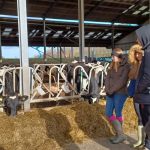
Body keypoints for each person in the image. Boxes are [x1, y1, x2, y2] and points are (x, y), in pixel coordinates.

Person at [105, 48, 130, 144]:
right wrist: (107, 89)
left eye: (113, 56)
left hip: (120, 93)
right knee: (108, 113)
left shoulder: (126, 66)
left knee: (118, 112)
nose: (112, 57)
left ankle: (119, 135)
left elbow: (122, 81)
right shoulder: (112, 66)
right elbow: (107, 78)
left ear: (119, 56)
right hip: (110, 93)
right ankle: (121, 134)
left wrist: (111, 90)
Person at [134, 24, 150, 150]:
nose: (137, 40)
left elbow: (147, 76)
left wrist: (138, 88)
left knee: (147, 122)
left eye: (139, 37)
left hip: (146, 96)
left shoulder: (149, 53)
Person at [128, 44, 144, 148]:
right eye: (136, 53)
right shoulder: (134, 65)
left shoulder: (146, 65)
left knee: (146, 117)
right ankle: (140, 140)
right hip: (136, 95)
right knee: (139, 117)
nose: (137, 55)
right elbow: (132, 81)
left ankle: (146, 142)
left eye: (139, 53)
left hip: (144, 95)